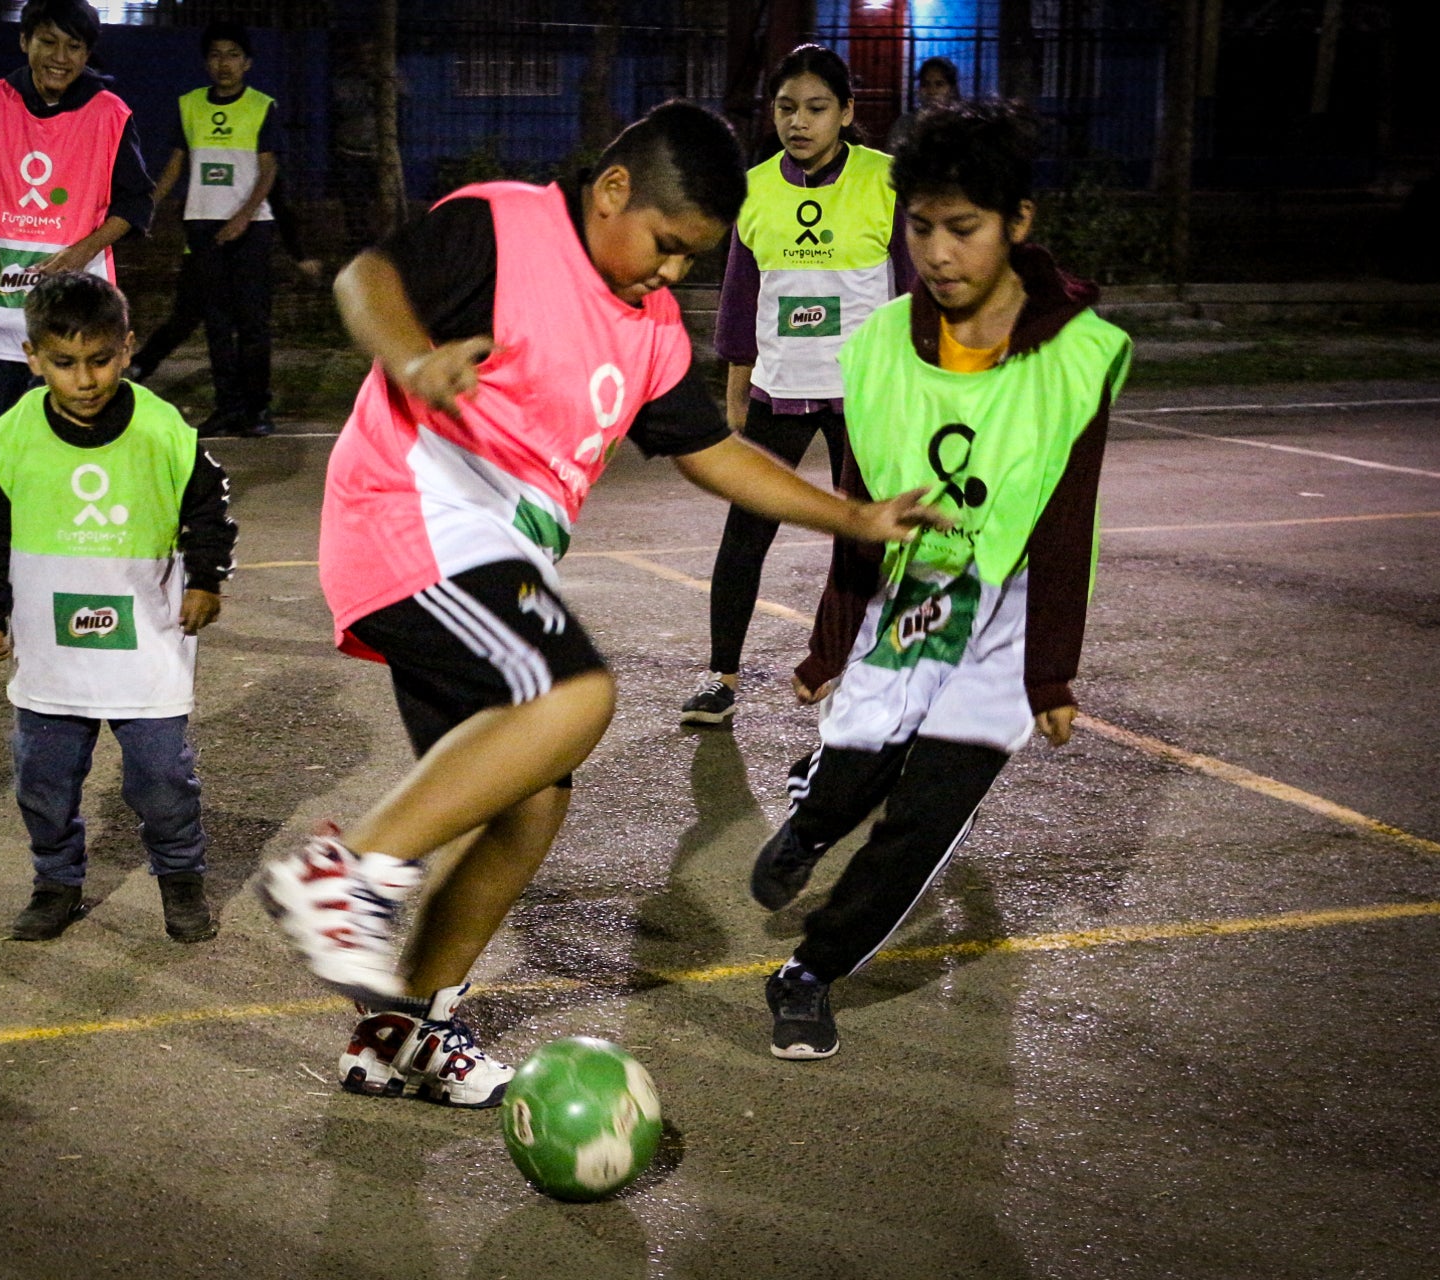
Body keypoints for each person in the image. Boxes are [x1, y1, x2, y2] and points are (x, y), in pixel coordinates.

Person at [256, 101, 947, 1107]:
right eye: (666, 246)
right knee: (577, 693)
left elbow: (712, 452)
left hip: (489, 551)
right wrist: (413, 357)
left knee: (534, 799)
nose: (671, 273)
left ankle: (401, 1029)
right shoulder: (506, 225)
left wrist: (852, 515)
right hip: (416, 513)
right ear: (614, 190)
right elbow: (371, 277)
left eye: (692, 260)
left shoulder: (655, 332)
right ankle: (344, 874)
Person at [751, 100, 1132, 1062]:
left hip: (1002, 613)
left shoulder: (1080, 359)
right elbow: (859, 500)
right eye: (919, 226)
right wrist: (832, 639)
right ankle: (816, 815)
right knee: (861, 759)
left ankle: (811, 972)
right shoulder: (878, 344)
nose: (938, 251)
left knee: (928, 817)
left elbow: (1064, 519)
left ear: (1018, 224)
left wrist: (1049, 671)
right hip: (912, 595)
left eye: (963, 228)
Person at [0, 272, 237, 943]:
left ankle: (180, 879)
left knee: (162, 779)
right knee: (43, 780)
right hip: (52, 650)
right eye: (63, 363)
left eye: (100, 360)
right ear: (32, 357)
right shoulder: (9, 436)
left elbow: (209, 507)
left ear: (127, 348)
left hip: (147, 643)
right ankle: (56, 883)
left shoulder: (162, 429)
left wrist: (206, 578)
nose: (83, 380)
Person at [680, 44, 912, 727]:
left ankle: (862, 676)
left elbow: (912, 287)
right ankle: (721, 678)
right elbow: (739, 304)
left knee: (866, 537)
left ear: (845, 113)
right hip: (778, 389)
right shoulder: (752, 190)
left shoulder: (887, 181)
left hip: (867, 395)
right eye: (786, 109)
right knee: (744, 532)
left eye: (816, 108)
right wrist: (734, 399)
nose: (799, 122)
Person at [0, 0, 153, 446]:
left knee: (59, 445)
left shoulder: (110, 114)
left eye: (74, 46)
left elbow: (136, 204)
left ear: (87, 55)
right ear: (24, 41)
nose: (60, 57)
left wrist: (80, 253)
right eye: (48, 42)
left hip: (71, 320)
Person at [148, 21, 282, 437]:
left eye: (233, 55)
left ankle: (256, 410)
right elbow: (175, 163)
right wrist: (147, 205)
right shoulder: (189, 104)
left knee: (253, 323)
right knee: (217, 322)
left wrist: (243, 215)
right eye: (216, 55)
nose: (224, 63)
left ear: (248, 63)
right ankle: (227, 408)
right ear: (207, 62)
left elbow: (268, 168)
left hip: (252, 225)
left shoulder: (263, 106)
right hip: (202, 223)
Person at [127, 174, 322, 386]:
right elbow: (185, 205)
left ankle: (243, 393)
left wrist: (299, 256)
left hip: (242, 257)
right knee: (187, 318)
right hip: (202, 255)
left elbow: (279, 207)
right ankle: (140, 366)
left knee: (243, 324)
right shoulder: (206, 162)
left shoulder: (260, 164)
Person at [887, 57, 960, 153]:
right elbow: (891, 159)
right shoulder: (905, 124)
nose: (931, 91)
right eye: (925, 84)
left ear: (952, 89)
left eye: (939, 84)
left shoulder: (960, 124)